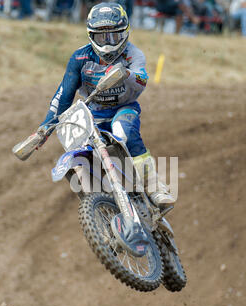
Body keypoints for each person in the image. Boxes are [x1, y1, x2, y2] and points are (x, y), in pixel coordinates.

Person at [38, 2, 175, 206]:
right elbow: (63, 96)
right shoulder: (80, 58)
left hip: (123, 108)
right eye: (101, 36)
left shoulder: (133, 54)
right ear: (91, 35)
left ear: (125, 33)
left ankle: (154, 187)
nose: (108, 43)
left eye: (113, 36)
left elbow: (142, 79)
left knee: (123, 131)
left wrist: (126, 73)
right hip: (92, 114)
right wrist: (43, 130)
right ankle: (96, 204)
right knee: (77, 151)